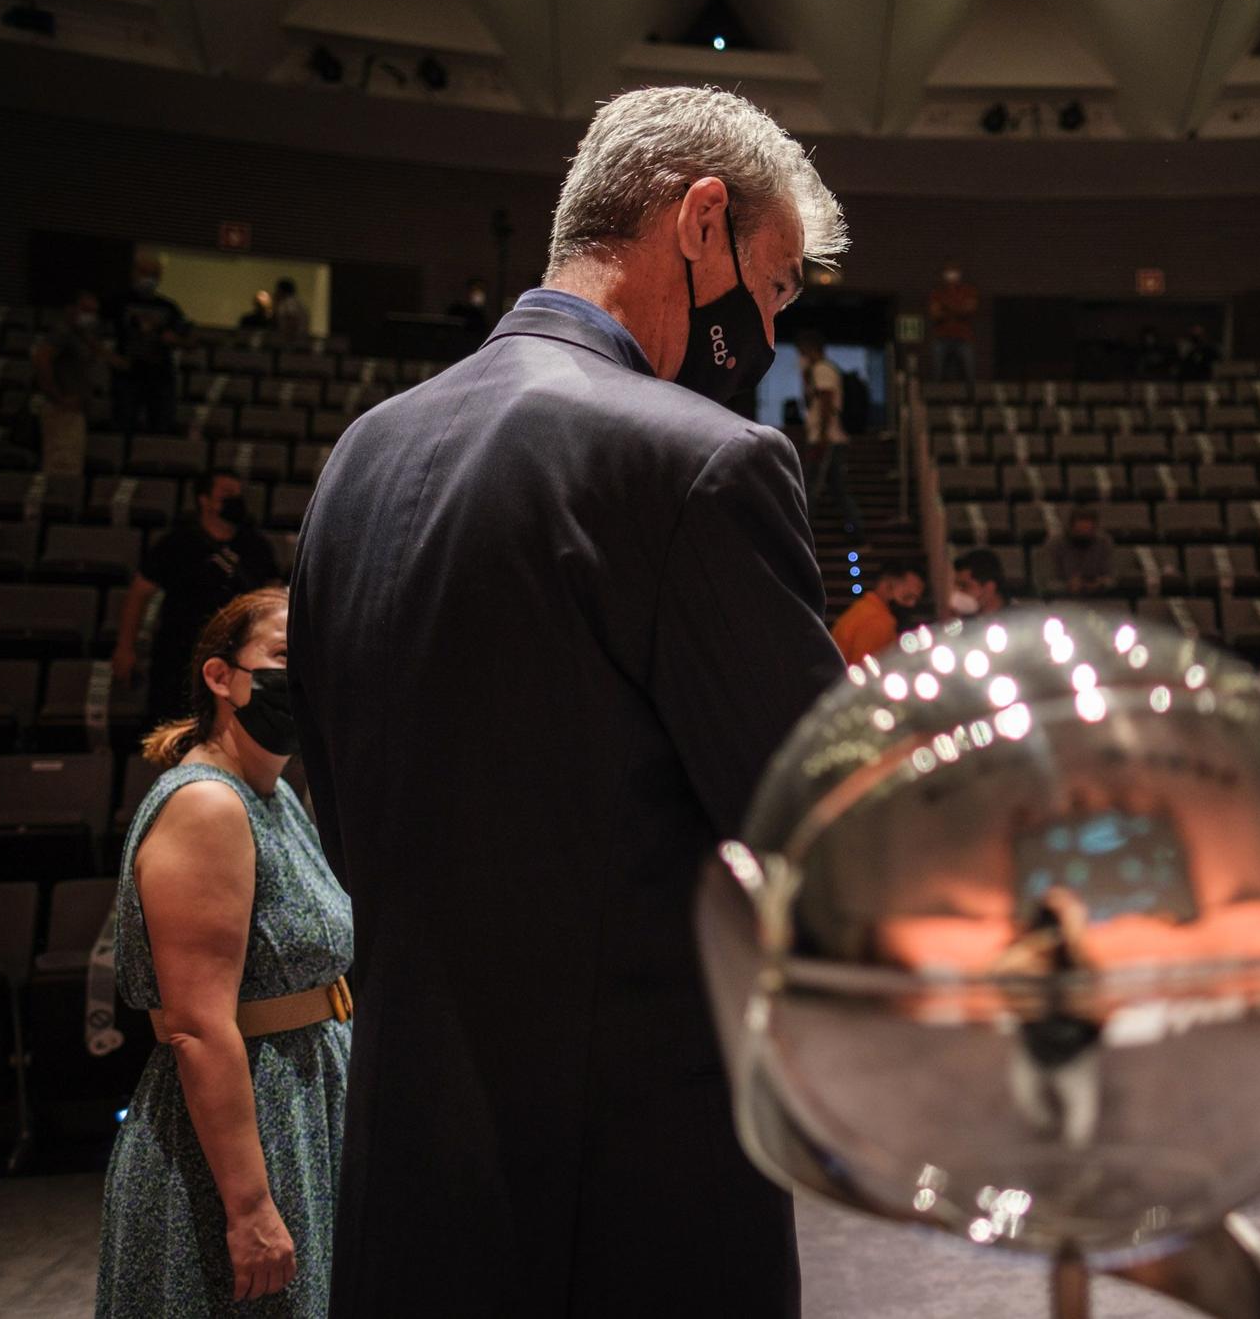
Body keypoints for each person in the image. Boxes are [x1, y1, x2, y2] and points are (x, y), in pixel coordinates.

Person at [289, 86, 848, 1318]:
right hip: (630, 1197)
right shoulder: (699, 462)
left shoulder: (361, 455)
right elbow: (836, 834)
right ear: (703, 220)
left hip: (401, 1174)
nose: (767, 322)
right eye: (778, 281)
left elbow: (342, 813)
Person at [97, 588, 352, 1318]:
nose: (304, 677)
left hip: (303, 1108)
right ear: (220, 677)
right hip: (243, 1143)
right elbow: (197, 1027)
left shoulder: (275, 796)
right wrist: (249, 1209)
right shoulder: (207, 805)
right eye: (282, 657)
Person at [115, 471, 280, 729]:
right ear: (204, 500)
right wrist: (125, 648)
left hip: (237, 655)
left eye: (238, 495)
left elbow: (272, 599)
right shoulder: (177, 543)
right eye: (227, 495)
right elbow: (139, 593)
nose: (236, 500)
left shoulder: (256, 546)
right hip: (179, 655)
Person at [109, 257, 189, 436]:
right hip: (128, 376)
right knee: (124, 427)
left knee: (160, 427)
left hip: (159, 377)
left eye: (153, 274)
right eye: (144, 272)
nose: (148, 278)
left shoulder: (168, 307)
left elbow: (189, 339)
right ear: (134, 273)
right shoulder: (119, 302)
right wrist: (111, 357)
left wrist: (174, 339)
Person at [30, 289, 106, 478]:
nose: (90, 316)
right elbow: (41, 359)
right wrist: (57, 396)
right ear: (70, 309)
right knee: (61, 469)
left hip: (75, 410)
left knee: (70, 467)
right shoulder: (62, 332)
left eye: (93, 312)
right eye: (85, 310)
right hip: (63, 410)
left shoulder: (81, 336)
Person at [797, 330, 860, 539]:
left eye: (803, 352)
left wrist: (823, 437)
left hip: (827, 439)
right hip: (827, 438)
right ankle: (855, 530)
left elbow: (825, 402)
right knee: (836, 487)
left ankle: (803, 534)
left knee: (812, 486)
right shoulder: (816, 372)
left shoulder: (823, 369)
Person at [830, 560, 926, 664]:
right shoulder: (878, 621)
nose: (912, 604)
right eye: (907, 597)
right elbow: (866, 674)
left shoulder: (862, 609)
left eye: (915, 599)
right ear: (888, 586)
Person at [1043, 506, 1116, 597]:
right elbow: (1047, 582)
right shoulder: (1055, 544)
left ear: (1095, 529)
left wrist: (1101, 583)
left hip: (1099, 597)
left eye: (1088, 531)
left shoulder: (1104, 542)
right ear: (1071, 528)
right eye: (1079, 531)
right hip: (1063, 599)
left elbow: (1112, 577)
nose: (1084, 535)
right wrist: (1068, 585)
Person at [927, 263, 977, 385]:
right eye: (949, 272)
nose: (952, 276)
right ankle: (937, 397)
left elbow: (970, 309)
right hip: (942, 337)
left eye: (954, 272)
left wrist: (946, 307)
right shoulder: (937, 293)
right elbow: (935, 314)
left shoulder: (968, 291)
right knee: (937, 370)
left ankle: (972, 398)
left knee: (969, 369)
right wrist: (958, 309)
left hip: (963, 337)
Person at [952, 548, 1009, 618]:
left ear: (989, 588)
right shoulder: (961, 624)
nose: (957, 592)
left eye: (964, 586)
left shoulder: (1018, 620)